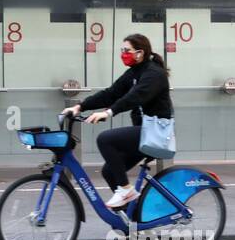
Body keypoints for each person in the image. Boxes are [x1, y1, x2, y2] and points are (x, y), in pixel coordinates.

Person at [63, 34, 173, 209]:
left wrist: (109, 112)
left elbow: (135, 97)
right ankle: (133, 218)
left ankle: (126, 189)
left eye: (126, 50)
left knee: (105, 139)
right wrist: (80, 107)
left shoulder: (154, 74)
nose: (123, 54)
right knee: (109, 171)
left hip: (157, 132)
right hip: (144, 132)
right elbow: (111, 93)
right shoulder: (133, 73)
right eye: (122, 50)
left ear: (140, 52)